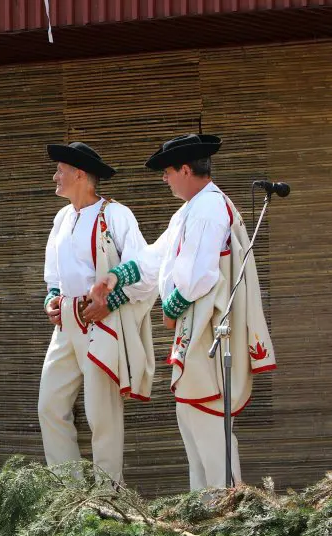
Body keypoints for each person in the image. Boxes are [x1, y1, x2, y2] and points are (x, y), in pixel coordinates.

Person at [89, 134, 276, 490]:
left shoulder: (207, 209)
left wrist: (172, 306)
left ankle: (226, 512)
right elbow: (156, 258)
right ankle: (206, 510)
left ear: (186, 169)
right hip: (198, 327)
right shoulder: (191, 209)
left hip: (209, 329)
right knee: (192, 417)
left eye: (168, 171)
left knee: (206, 418)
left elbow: (198, 275)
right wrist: (115, 278)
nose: (164, 178)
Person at [39, 143, 157, 484]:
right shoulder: (62, 218)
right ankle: (71, 491)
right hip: (66, 323)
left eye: (60, 170)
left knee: (101, 415)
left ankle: (109, 497)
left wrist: (112, 299)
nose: (55, 176)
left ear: (79, 173)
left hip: (101, 322)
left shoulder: (116, 215)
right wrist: (52, 298)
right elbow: (54, 275)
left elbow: (146, 269)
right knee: (49, 405)